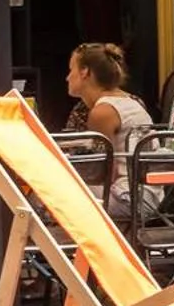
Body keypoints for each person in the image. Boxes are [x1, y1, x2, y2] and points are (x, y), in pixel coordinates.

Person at [66, 43, 155, 219]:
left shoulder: (103, 111)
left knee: (42, 193)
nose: (67, 77)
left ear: (85, 72)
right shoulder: (130, 101)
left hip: (125, 197)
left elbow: (103, 173)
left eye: (71, 70)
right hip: (144, 193)